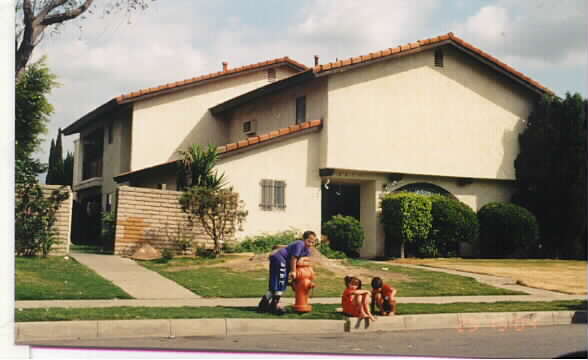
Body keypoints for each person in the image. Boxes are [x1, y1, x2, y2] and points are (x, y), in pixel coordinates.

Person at [257, 230, 317, 314]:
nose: (310, 244)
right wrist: (293, 271)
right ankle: (274, 306)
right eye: (309, 241)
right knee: (280, 283)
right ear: (304, 239)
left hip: (282, 261)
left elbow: (299, 261)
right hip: (280, 259)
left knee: (276, 283)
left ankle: (263, 304)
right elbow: (294, 258)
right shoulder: (300, 244)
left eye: (313, 242)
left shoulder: (307, 250)